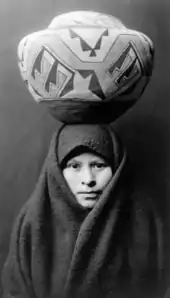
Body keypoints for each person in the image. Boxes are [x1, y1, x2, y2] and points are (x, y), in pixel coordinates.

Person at [1, 123, 165, 298]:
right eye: (74, 166)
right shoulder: (32, 222)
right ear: (56, 170)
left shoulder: (144, 220)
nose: (88, 180)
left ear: (117, 167)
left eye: (98, 165)